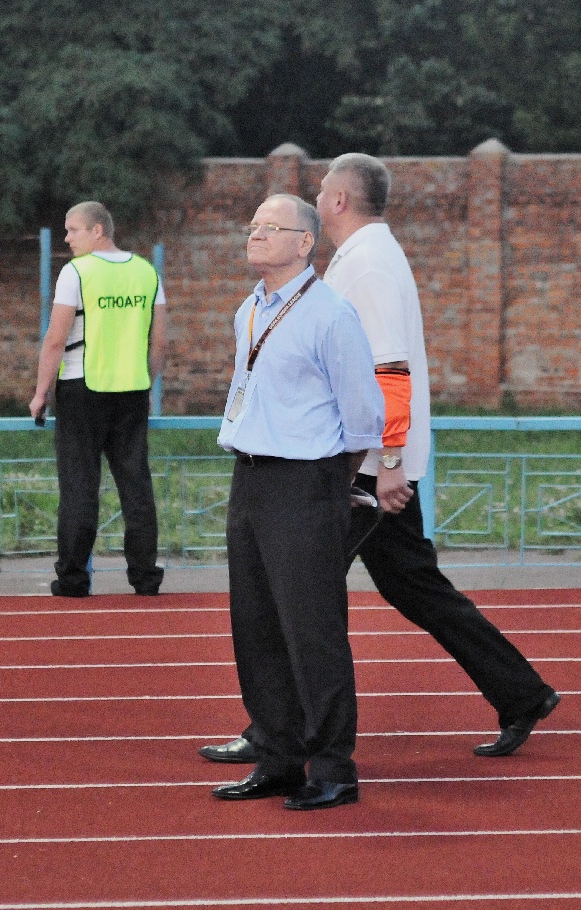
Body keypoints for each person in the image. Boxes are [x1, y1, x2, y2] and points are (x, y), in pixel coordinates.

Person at [198, 153, 559, 768]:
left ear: (338, 201)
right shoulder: (363, 257)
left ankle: (279, 735)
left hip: (361, 468)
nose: (317, 196)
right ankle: (520, 692)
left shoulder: (367, 264)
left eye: (322, 189)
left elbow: (387, 367)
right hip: (365, 460)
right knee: (409, 584)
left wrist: (389, 462)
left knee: (294, 598)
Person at [210, 193, 384, 811]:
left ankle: (334, 766)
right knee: (255, 626)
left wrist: (330, 484)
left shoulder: (331, 314)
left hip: (306, 483)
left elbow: (364, 417)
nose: (255, 234)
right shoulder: (250, 309)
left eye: (270, 226)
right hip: (250, 478)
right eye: (252, 224)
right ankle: (279, 757)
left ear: (305, 242)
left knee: (312, 631)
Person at [30, 201, 166, 598]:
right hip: (132, 392)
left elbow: (55, 340)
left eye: (73, 230)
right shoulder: (147, 271)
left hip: (81, 388)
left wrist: (41, 393)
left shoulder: (76, 272)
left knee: (79, 486)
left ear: (97, 231)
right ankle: (145, 577)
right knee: (136, 486)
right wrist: (145, 384)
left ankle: (74, 580)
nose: (67, 238)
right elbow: (159, 344)